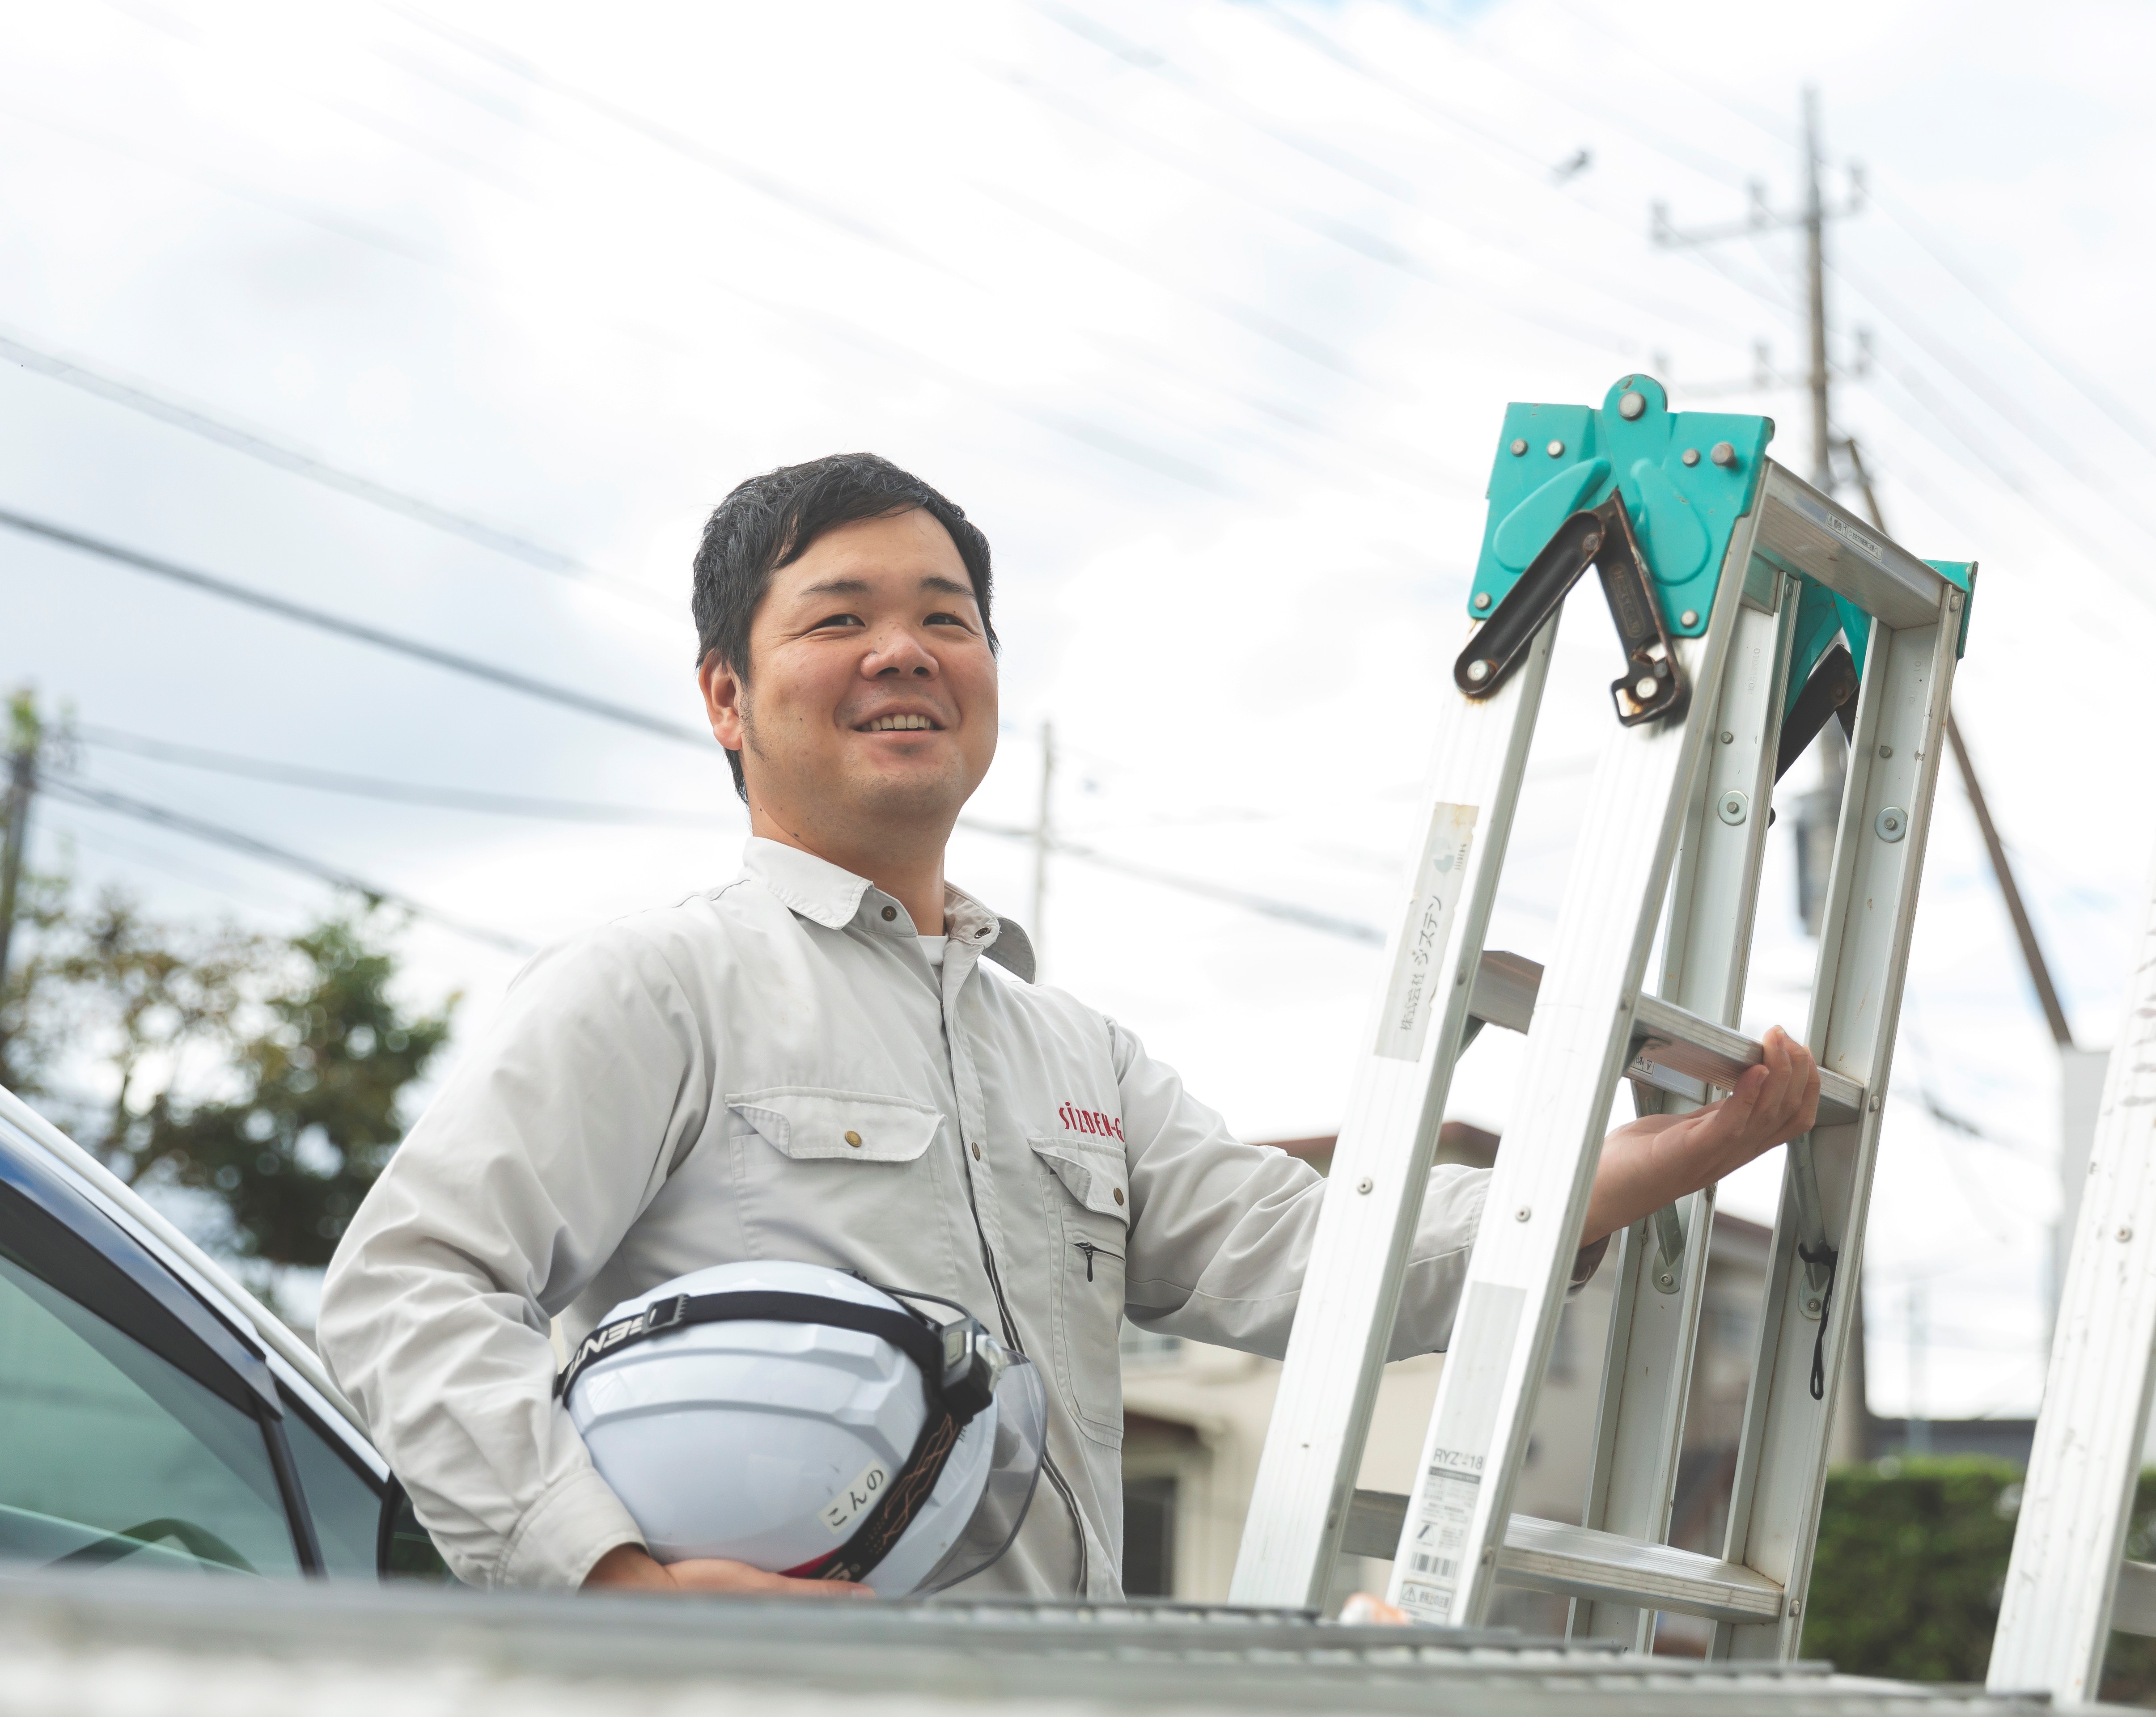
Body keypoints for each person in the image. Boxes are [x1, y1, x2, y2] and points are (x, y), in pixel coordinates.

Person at [315, 453, 1820, 1601]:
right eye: (838, 619)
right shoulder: (654, 989)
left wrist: (1665, 1154)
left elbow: (1328, 1261)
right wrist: (608, 1578)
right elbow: (408, 1290)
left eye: (944, 620)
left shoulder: (1078, 1056)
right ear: (727, 696)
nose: (903, 653)